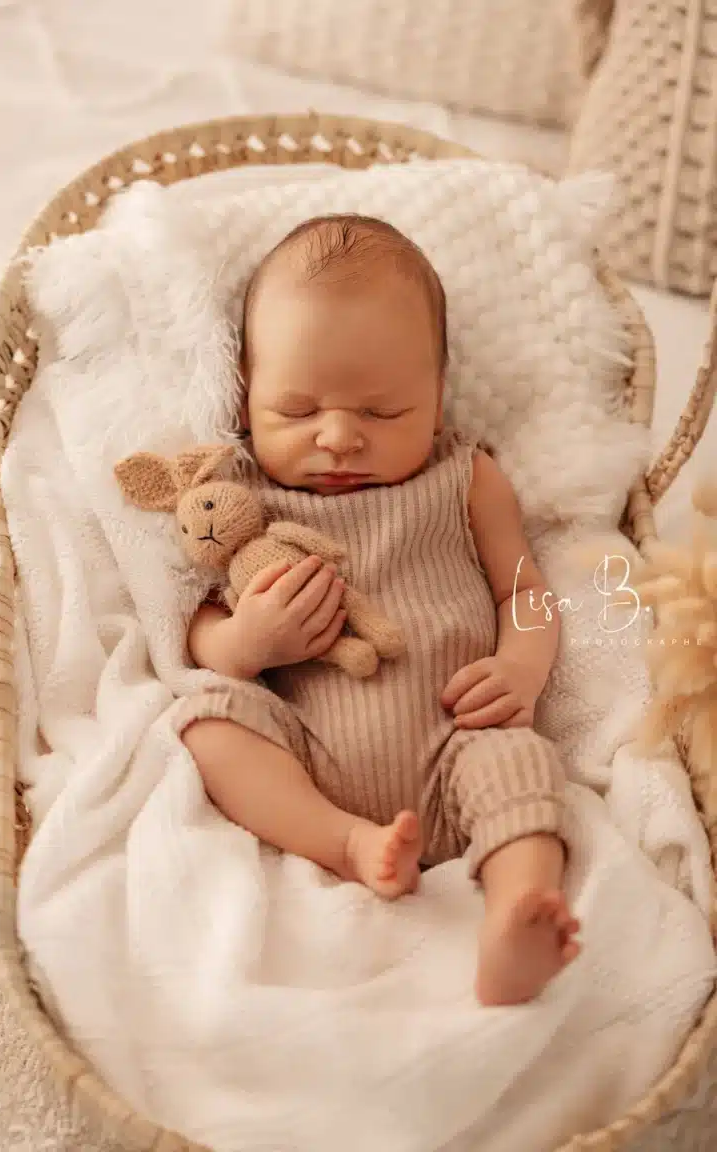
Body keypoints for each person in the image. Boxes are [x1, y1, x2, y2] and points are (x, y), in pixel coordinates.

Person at [182, 214, 580, 1006]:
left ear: (437, 398)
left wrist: (521, 668)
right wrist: (244, 644)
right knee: (208, 723)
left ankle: (519, 915)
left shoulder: (466, 478)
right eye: (296, 410)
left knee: (524, 766)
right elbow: (197, 630)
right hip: (306, 758)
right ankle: (348, 844)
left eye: (382, 412)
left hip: (459, 739)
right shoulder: (241, 497)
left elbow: (524, 591)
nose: (337, 436)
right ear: (245, 396)